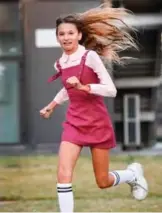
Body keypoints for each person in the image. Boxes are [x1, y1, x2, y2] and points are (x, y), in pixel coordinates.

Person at [40, 4, 148, 212]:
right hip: (74, 123)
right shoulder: (60, 63)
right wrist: (52, 105)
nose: (66, 37)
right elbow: (67, 90)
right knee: (63, 173)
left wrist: (84, 86)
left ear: (80, 35)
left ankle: (132, 175)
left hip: (97, 123)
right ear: (57, 38)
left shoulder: (89, 57)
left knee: (103, 181)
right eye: (61, 34)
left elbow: (111, 90)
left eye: (70, 33)